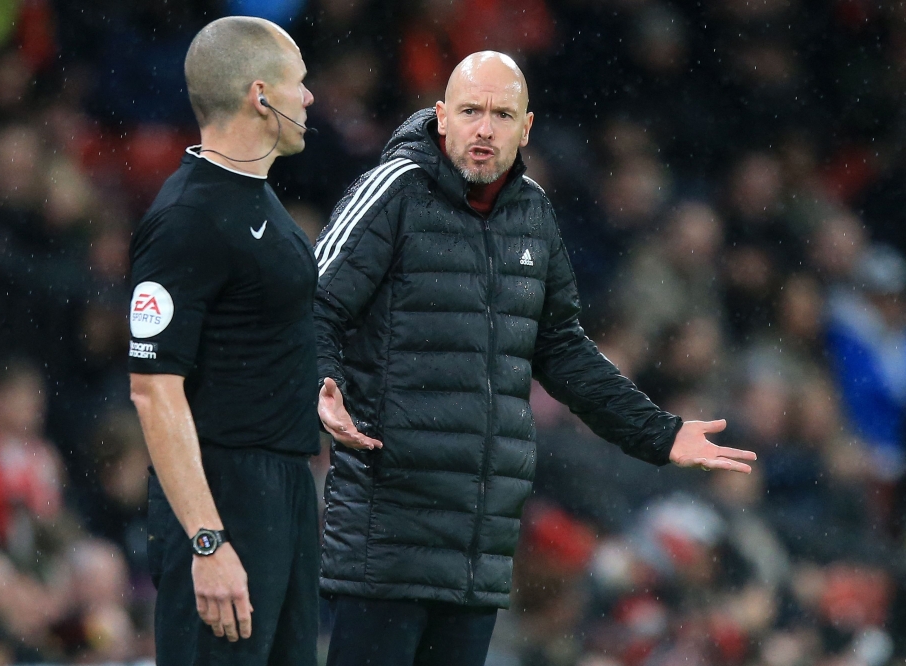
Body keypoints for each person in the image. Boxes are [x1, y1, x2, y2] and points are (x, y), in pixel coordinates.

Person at [313, 51, 757, 666]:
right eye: (470, 111)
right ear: (442, 118)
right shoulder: (393, 191)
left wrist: (660, 433)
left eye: (501, 114)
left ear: (526, 127)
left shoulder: (534, 213)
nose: (484, 129)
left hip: (481, 546)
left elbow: (561, 349)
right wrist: (322, 381)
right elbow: (314, 302)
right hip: (388, 534)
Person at [128, 16, 319, 666]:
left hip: (285, 489)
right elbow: (154, 391)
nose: (309, 98)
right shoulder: (187, 218)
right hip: (225, 495)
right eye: (299, 84)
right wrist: (208, 543)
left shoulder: (258, 201)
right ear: (259, 95)